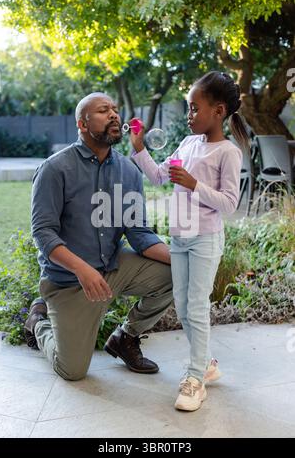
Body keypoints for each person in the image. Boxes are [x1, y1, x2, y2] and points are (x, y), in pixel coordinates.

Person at [24, 92, 173, 381]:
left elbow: (139, 234)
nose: (114, 115)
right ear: (83, 124)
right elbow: (43, 233)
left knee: (178, 272)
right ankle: (37, 321)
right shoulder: (55, 168)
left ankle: (125, 339)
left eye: (115, 110)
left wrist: (184, 257)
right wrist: (82, 269)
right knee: (73, 371)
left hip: (113, 269)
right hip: (69, 281)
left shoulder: (129, 171)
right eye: (104, 110)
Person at [130, 71, 248, 411]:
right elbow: (156, 176)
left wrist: (194, 184)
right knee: (183, 307)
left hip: (205, 240)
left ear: (219, 111)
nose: (189, 115)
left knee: (195, 307)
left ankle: (195, 378)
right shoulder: (187, 144)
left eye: (195, 108)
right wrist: (139, 147)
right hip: (179, 238)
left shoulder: (228, 152)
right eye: (188, 108)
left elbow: (228, 204)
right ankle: (207, 364)